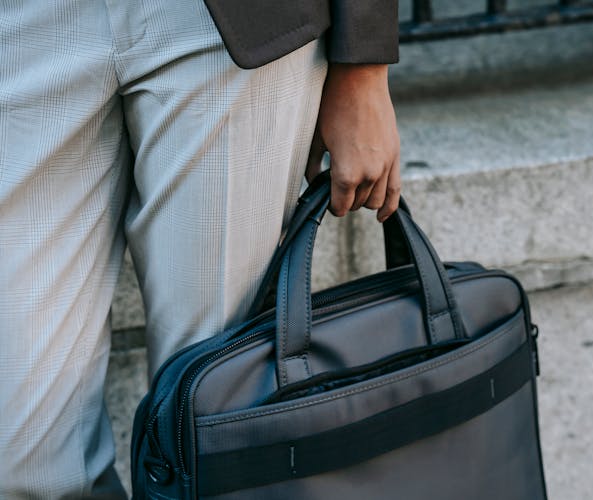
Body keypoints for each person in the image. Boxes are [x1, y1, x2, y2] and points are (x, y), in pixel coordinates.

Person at [0, 1, 400, 497]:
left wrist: (364, 65)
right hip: (23, 25)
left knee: (218, 418)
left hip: (227, 27)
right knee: (18, 455)